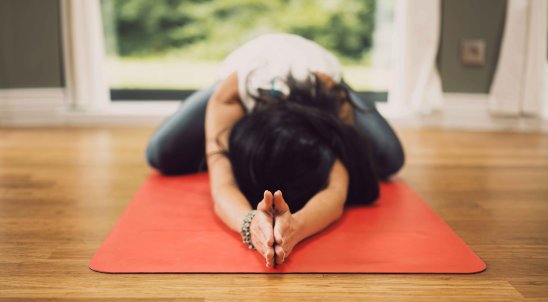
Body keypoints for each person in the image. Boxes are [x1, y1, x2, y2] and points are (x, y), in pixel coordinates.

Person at [145, 33, 404, 268]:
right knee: (160, 154)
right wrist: (251, 225)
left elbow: (337, 188)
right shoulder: (230, 96)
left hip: (319, 68)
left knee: (390, 158)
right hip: (243, 65)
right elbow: (222, 185)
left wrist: (295, 229)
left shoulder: (328, 97)